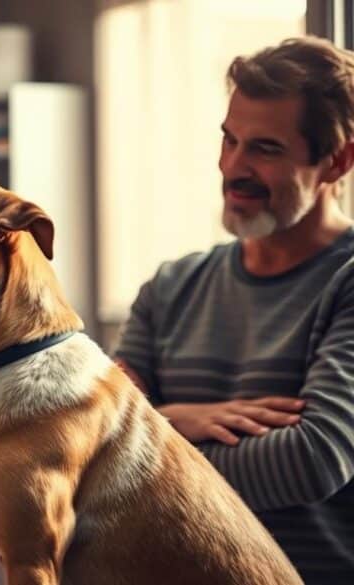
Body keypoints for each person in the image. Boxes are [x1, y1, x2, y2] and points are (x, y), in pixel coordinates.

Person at [115, 36, 354, 584]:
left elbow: (312, 460)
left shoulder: (345, 282)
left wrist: (153, 428)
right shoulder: (171, 286)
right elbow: (90, 430)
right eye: (229, 140)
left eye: (265, 149)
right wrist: (170, 423)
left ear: (337, 160)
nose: (233, 167)